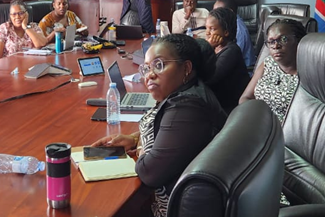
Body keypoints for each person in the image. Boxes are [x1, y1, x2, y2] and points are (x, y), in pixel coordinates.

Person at [91, 34, 226, 217]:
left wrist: (140, 148)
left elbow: (149, 172)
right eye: (146, 68)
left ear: (186, 68)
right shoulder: (187, 92)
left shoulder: (187, 108)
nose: (150, 75)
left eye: (159, 65)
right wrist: (133, 139)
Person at [239, 18, 308, 123]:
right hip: (258, 123)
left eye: (283, 39)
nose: (276, 46)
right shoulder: (268, 63)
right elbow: (245, 98)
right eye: (271, 42)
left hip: (286, 131)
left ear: (298, 41)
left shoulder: (309, 74)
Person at [203, 7, 251, 114]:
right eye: (206, 28)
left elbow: (210, 78)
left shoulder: (232, 51)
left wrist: (208, 47)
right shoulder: (216, 48)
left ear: (226, 32)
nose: (207, 33)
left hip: (230, 107)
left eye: (212, 29)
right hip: (217, 100)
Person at [214, 0, 254, 69]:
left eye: (218, 12)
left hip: (243, 70)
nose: (214, 16)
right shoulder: (229, 24)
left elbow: (232, 56)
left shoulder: (239, 29)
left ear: (230, 11)